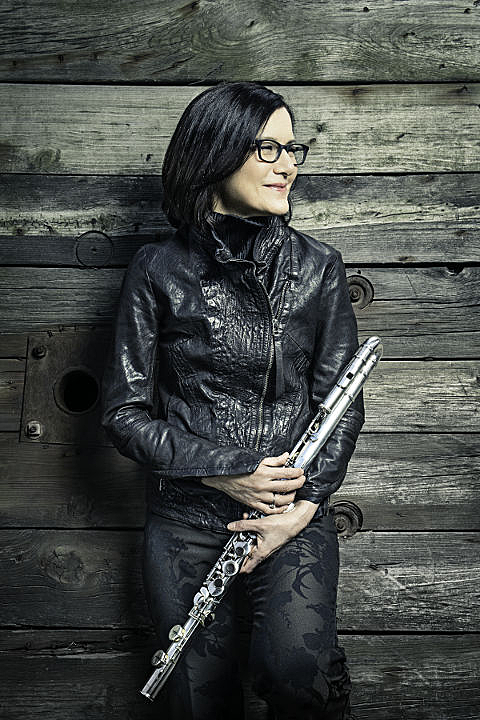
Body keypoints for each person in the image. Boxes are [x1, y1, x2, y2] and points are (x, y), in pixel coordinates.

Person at [101, 81, 364, 720]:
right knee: (196, 701)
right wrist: (228, 469)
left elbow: (342, 403)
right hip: (185, 518)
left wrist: (301, 508)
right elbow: (123, 415)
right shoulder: (157, 269)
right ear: (214, 156)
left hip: (291, 513)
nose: (288, 164)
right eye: (267, 148)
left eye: (292, 148)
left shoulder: (318, 266)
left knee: (296, 676)